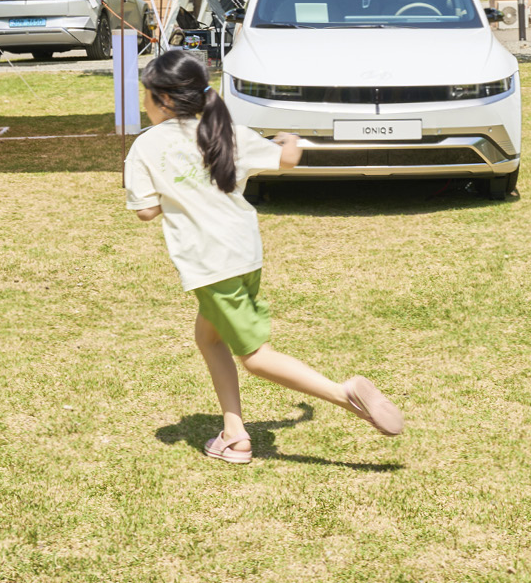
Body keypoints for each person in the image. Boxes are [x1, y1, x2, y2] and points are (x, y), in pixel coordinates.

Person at [125, 51, 403, 464]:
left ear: (164, 99)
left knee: (255, 356)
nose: (143, 103)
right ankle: (235, 435)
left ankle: (343, 394)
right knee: (208, 337)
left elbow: (145, 210)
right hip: (244, 254)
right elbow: (287, 158)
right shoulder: (225, 131)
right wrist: (289, 140)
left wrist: (178, 195)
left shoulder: (146, 147)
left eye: (145, 95)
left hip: (210, 264)